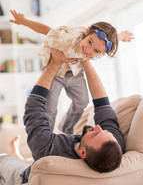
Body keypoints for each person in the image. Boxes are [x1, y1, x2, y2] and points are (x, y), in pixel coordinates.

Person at [0, 48, 125, 185]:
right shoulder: (112, 148)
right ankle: (17, 155)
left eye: (95, 134)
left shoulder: (49, 150)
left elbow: (33, 107)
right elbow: (102, 104)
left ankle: (14, 156)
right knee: (30, 161)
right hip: (38, 163)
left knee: (4, 160)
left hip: (27, 177)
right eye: (105, 130)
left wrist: (53, 64)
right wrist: (86, 61)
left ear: (83, 153)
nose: (98, 127)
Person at [9, 10, 133, 134]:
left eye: (96, 51)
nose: (89, 50)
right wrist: (23, 21)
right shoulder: (67, 38)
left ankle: (66, 128)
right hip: (56, 73)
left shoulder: (99, 47)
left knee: (82, 101)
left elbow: (108, 40)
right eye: (89, 42)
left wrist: (120, 36)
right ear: (87, 32)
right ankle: (47, 135)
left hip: (75, 74)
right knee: (50, 108)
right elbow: (44, 29)